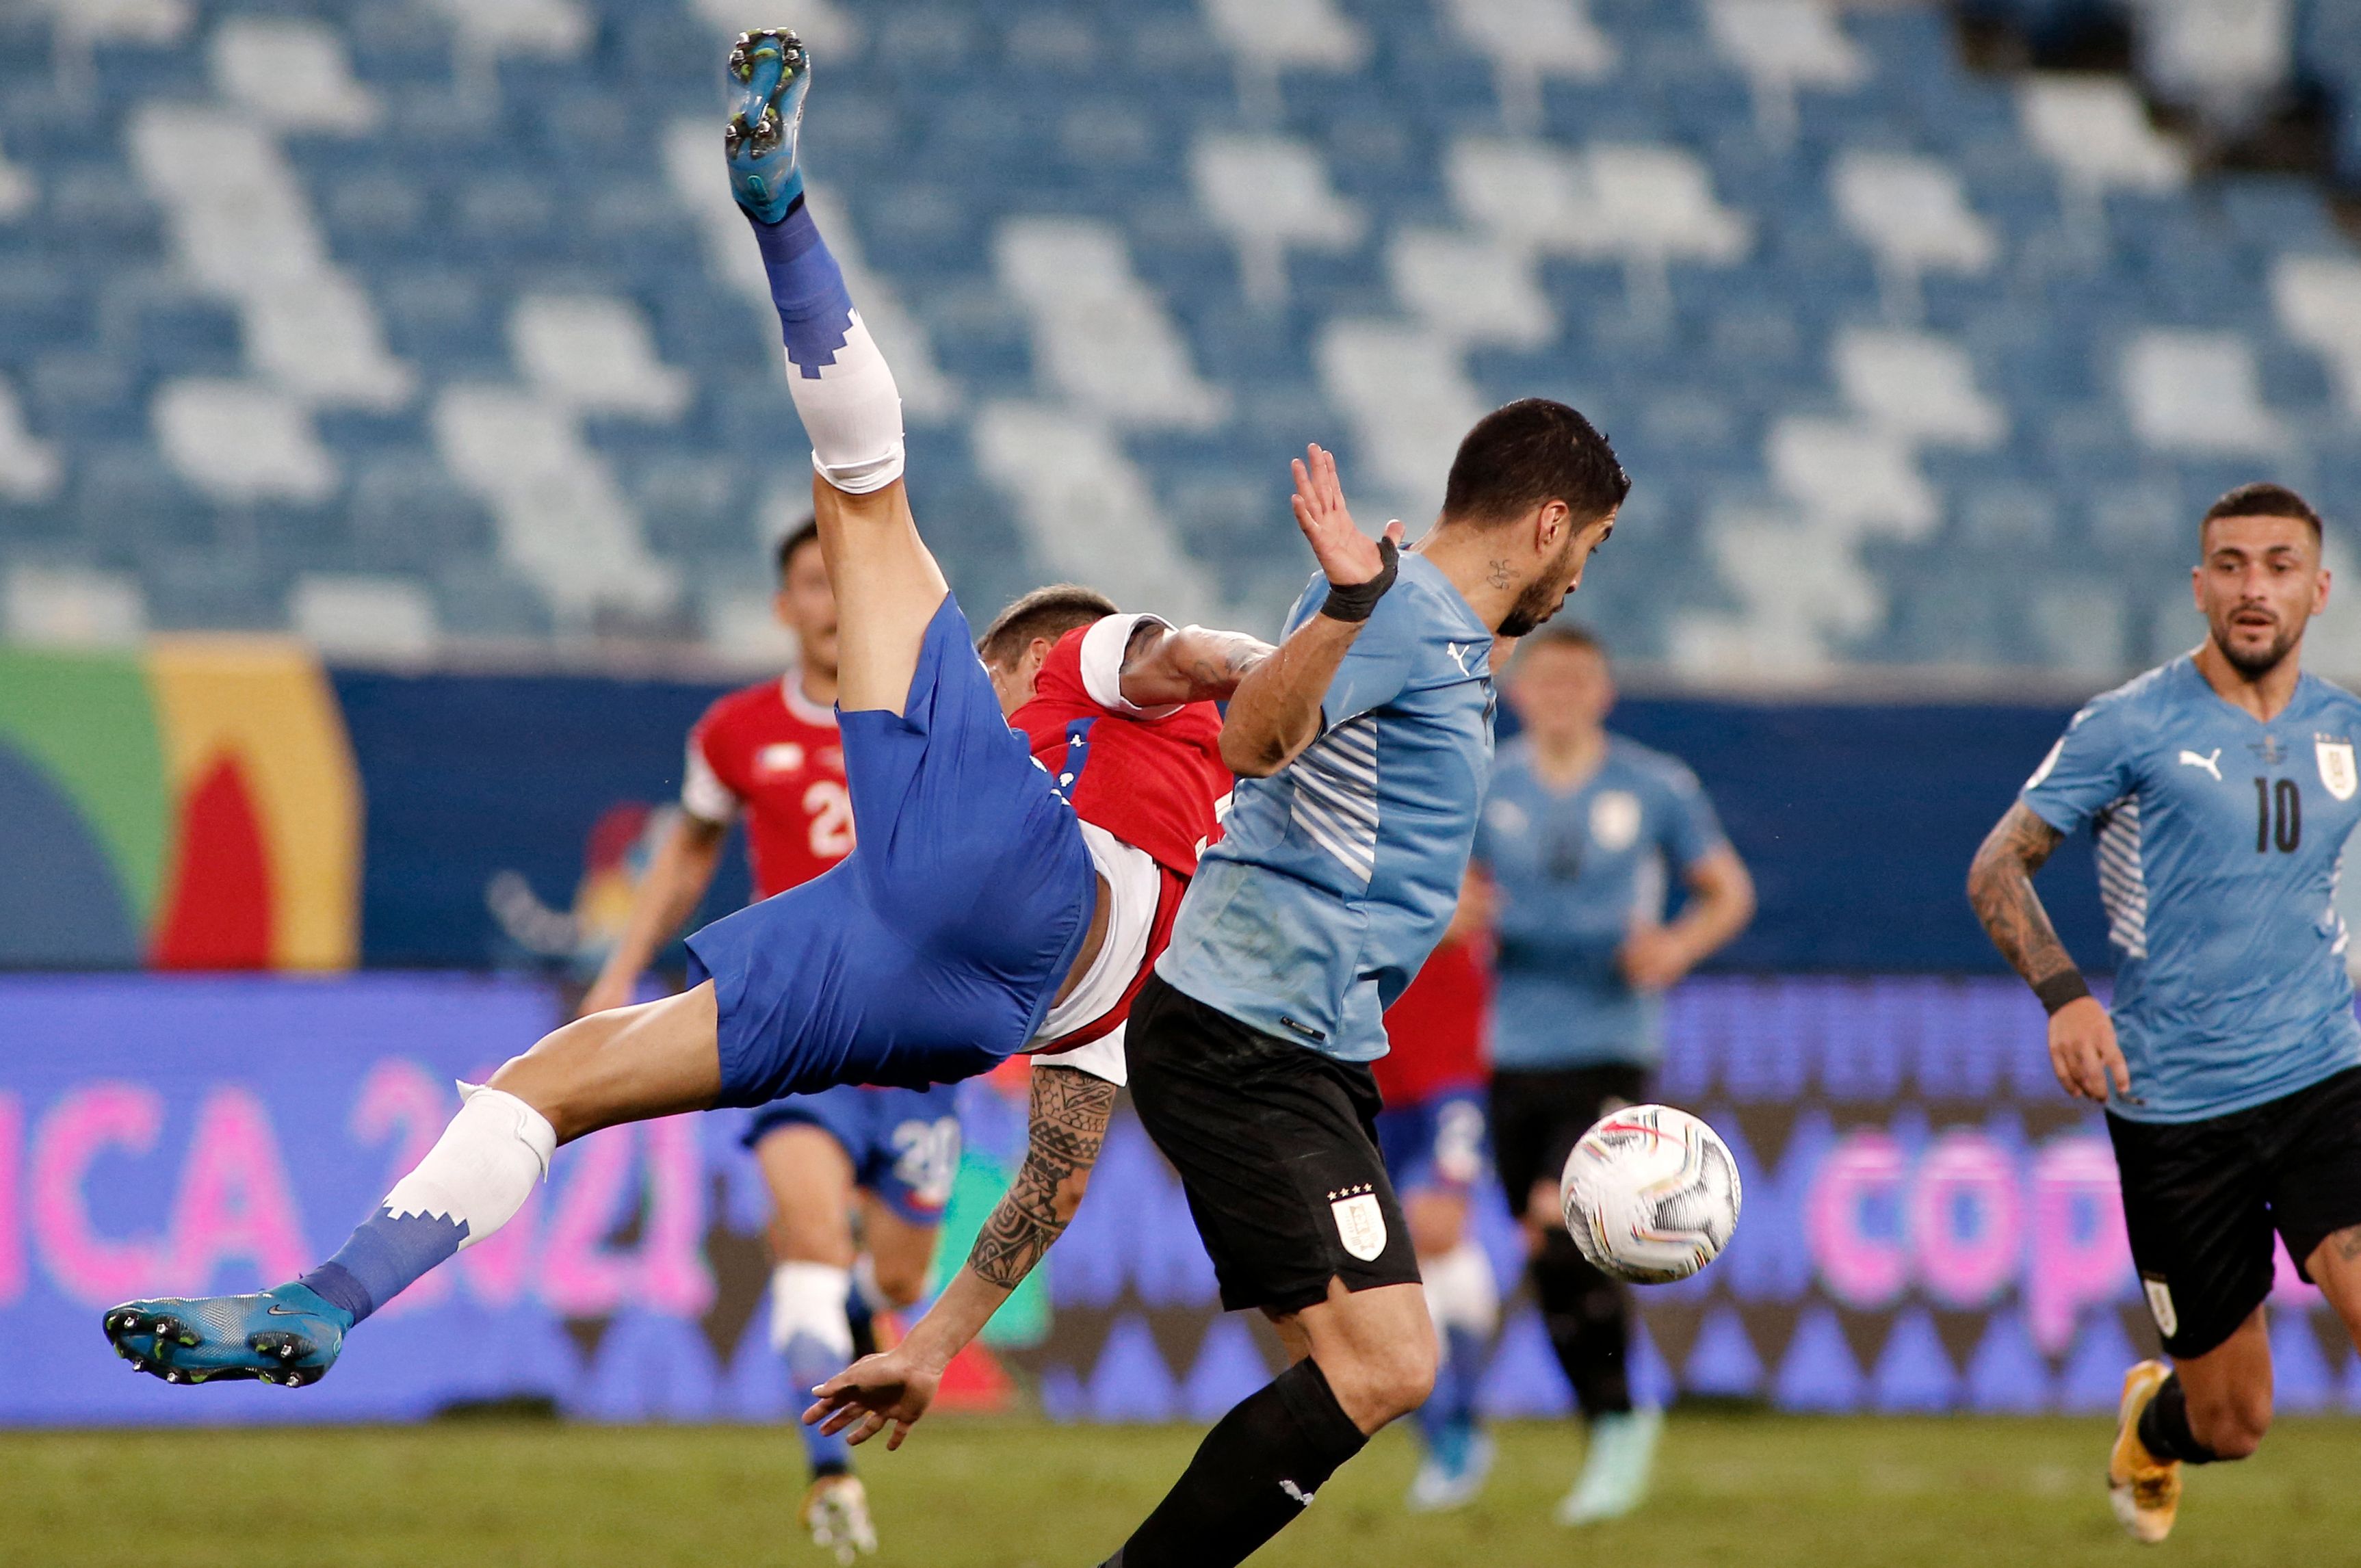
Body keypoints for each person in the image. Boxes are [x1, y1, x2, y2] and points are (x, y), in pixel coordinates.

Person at [96, 28, 1264, 1397]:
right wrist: (935, 1349)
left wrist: (1314, 645)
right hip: (953, 995)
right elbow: (1057, 1175)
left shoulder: (1082, 665)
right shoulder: (1176, 845)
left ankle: (780, 215)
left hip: (979, 898)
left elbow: (1190, 649)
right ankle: (322, 1301)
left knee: (864, 487)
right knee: (555, 1079)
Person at [1100, 409, 1628, 1568]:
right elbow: (1247, 741)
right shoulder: (1394, 611)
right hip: (1247, 1032)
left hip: (1304, 1036)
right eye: (1588, 545)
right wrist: (1344, 604)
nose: (1581, 574)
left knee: (1355, 1364)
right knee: (1387, 1361)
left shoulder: (1425, 625)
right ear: (1549, 523)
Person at [1967, 482, 2361, 1545]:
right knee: (2233, 1422)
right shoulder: (2128, 724)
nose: (2252, 586)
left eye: (2278, 565)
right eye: (2229, 564)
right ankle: (2152, 1423)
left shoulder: (2346, 730)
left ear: (2317, 588)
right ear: (2196, 586)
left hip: (2326, 1074)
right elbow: (1996, 868)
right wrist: (2063, 998)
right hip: (2176, 1109)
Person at [571, 517, 952, 1560]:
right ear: (784, 606)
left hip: (921, 1043)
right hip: (797, 1031)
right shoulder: (737, 732)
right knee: (810, 1238)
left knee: (901, 1279)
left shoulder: (930, 716)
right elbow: (688, 856)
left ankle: (864, 1331)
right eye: (809, 584)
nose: (832, 600)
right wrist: (620, 968)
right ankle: (829, 1481)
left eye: (844, 580)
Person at [1474, 623, 1754, 1524]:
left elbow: (1727, 890)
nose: (1559, 697)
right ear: (1520, 691)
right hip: (1511, 1047)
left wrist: (1672, 946)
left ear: (1601, 692)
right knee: (1543, 1244)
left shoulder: (1652, 784)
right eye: (1544, 682)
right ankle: (1610, 1422)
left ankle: (1621, 1422)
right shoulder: (1484, 781)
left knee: (1565, 1222)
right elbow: (1432, 897)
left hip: (1608, 1042)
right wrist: (1454, 913)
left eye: (1577, 683)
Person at [1365, 880, 1498, 1512]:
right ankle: (1456, 1428)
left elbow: (1467, 908)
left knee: (1436, 1227)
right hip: (1377, 1083)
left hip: (1452, 1083)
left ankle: (1454, 1436)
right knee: (1384, 1268)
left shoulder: (1461, 825)